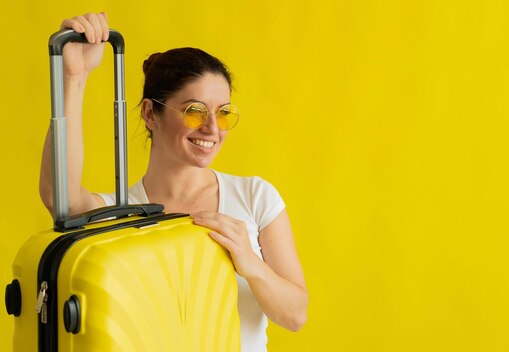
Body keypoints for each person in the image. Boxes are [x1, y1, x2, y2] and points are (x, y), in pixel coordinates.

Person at [39, 12, 308, 351]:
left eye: (223, 112)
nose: (212, 128)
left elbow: (295, 315)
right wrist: (74, 77)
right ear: (151, 114)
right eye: (195, 110)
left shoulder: (254, 197)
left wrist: (250, 263)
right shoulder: (120, 213)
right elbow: (58, 197)